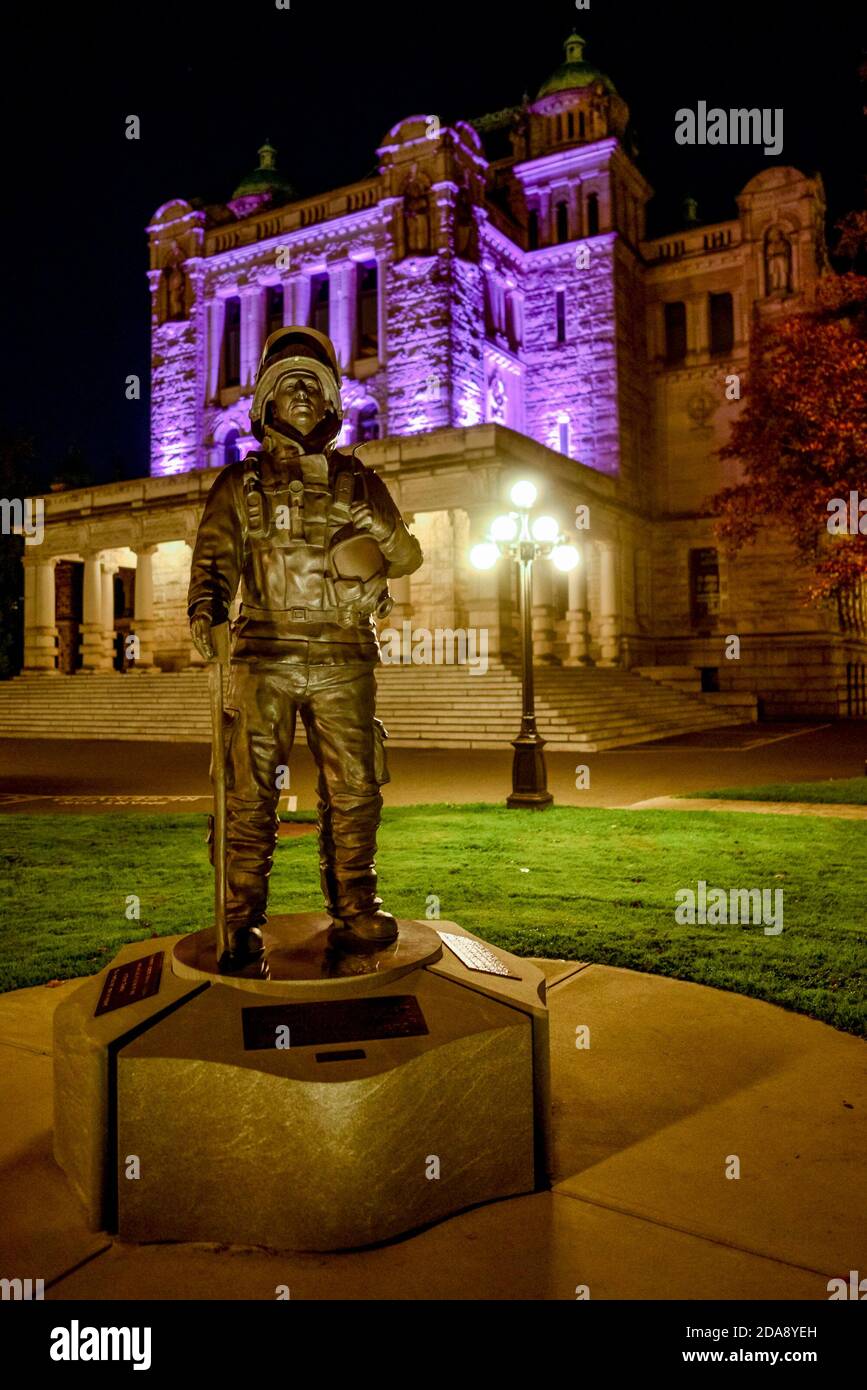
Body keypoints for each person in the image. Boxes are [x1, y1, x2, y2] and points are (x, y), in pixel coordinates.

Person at [187, 326, 423, 966]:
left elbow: (408, 556)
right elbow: (212, 563)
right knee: (249, 789)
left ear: (330, 403)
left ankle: (355, 906)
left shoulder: (358, 481)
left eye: (313, 386)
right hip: (264, 652)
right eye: (288, 384)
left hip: (345, 656)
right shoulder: (238, 486)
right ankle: (238, 919)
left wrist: (378, 524)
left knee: (355, 788)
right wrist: (204, 612)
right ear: (265, 400)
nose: (302, 395)